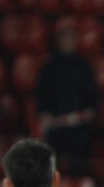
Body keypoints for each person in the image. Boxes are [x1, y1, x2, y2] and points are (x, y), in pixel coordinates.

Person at [35, 21, 99, 176]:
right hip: (55, 125)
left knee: (78, 165)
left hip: (78, 125)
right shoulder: (50, 66)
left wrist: (89, 111)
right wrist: (45, 112)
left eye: (71, 38)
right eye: (64, 38)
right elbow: (42, 92)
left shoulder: (84, 66)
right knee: (51, 166)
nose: (67, 42)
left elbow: (92, 94)